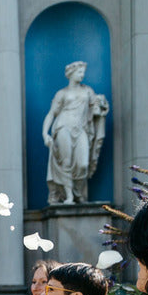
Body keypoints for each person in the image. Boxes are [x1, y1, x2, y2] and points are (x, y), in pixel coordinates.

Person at [41, 60, 109, 204]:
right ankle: (69, 195)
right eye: (79, 72)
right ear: (71, 74)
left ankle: (77, 193)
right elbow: (51, 114)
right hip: (63, 127)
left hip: (81, 129)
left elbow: (95, 106)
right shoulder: (62, 93)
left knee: (83, 164)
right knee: (66, 162)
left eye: (83, 72)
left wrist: (101, 104)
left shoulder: (87, 91)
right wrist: (45, 133)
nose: (82, 75)